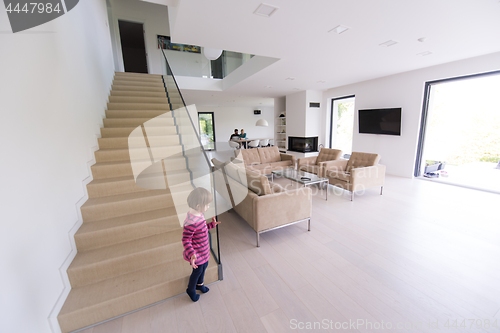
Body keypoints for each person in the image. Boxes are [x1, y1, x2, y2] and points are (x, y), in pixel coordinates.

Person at [182, 187, 221, 302]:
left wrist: (211, 225)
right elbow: (186, 239)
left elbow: (202, 230)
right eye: (207, 205)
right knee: (197, 271)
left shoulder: (199, 215)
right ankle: (191, 289)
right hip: (197, 253)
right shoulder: (191, 222)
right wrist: (192, 254)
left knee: (204, 267)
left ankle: (200, 284)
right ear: (198, 205)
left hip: (204, 251)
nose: (208, 207)